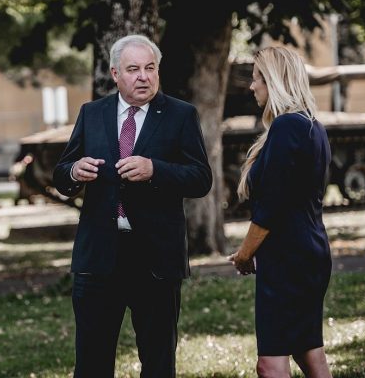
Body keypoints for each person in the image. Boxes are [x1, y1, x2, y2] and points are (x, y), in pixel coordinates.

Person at [53, 34, 212, 377]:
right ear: (115, 74)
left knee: (157, 362)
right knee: (91, 364)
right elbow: (62, 173)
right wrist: (75, 171)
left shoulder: (180, 115)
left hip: (155, 259)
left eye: (150, 68)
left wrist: (156, 169)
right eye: (134, 69)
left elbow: (201, 178)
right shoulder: (92, 113)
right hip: (99, 259)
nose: (144, 76)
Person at [228, 46, 333, 378]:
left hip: (289, 259)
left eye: (257, 78)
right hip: (308, 251)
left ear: (274, 80)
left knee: (270, 363)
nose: (251, 86)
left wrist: (245, 254)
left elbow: (271, 207)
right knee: (308, 351)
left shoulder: (288, 126)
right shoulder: (311, 125)